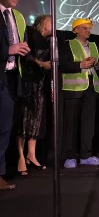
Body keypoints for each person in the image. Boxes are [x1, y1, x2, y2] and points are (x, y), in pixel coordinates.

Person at [0, 0, 30, 190]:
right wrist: (8, 50)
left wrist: (21, 50)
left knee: (5, 127)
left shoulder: (15, 16)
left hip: (10, 77)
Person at [59, 18, 99, 168]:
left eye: (89, 28)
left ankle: (86, 155)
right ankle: (69, 156)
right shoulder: (67, 44)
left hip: (91, 87)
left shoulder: (94, 46)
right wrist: (80, 65)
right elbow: (62, 65)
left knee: (88, 123)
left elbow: (98, 67)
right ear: (75, 30)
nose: (88, 31)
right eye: (84, 28)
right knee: (71, 124)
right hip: (73, 89)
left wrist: (96, 64)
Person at [16, 15, 52, 175]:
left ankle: (32, 155)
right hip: (26, 81)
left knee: (36, 119)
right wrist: (40, 63)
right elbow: (25, 54)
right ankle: (21, 157)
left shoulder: (50, 41)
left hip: (39, 83)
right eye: (51, 21)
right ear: (43, 23)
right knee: (23, 119)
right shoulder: (31, 34)